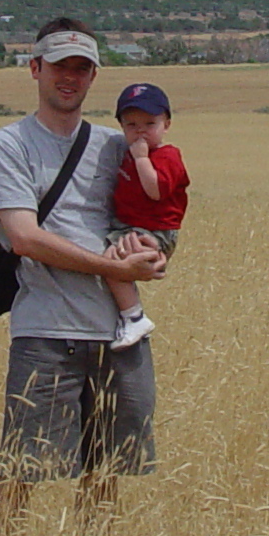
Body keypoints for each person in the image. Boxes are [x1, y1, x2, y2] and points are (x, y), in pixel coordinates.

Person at [0, 17, 167, 532]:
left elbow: (149, 214)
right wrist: (114, 267)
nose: (71, 77)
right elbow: (24, 237)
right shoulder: (9, 146)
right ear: (35, 68)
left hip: (115, 334)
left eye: (82, 68)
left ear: (94, 77)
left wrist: (154, 252)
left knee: (106, 473)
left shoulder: (116, 145)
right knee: (20, 470)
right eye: (60, 66)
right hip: (45, 332)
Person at [102, 81, 188, 349]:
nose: (141, 133)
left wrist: (141, 160)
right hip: (130, 226)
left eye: (149, 124)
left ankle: (134, 317)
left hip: (156, 229)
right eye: (131, 125)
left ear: (167, 124)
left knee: (111, 263)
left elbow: (156, 191)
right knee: (111, 261)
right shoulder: (127, 153)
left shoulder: (166, 156)